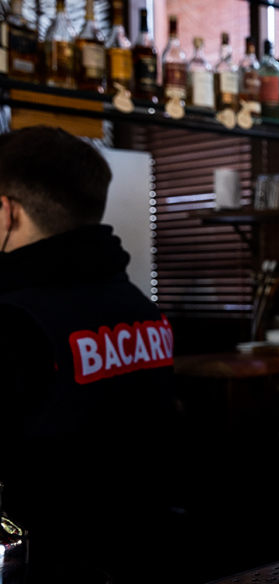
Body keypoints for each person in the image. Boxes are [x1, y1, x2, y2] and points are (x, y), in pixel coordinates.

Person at [0, 126, 174, 584]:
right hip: (146, 555)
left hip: (46, 565)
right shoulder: (143, 308)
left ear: (7, 212)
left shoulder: (15, 322)